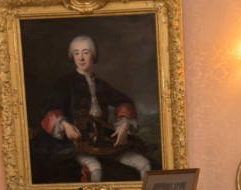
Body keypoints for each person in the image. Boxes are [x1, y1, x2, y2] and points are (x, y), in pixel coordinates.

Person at [30, 35, 151, 182]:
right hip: (75, 143)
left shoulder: (101, 84)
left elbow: (124, 101)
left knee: (144, 164)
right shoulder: (65, 82)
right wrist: (65, 125)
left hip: (101, 139)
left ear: (93, 55)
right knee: (95, 168)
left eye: (85, 52)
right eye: (76, 53)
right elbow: (50, 107)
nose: (81, 58)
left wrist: (124, 123)